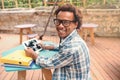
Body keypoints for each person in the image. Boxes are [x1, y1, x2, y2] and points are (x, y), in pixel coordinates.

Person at [25, 3, 91, 80]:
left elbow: (48, 63)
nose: (60, 26)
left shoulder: (71, 48)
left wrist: (32, 54)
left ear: (75, 24)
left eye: (66, 22)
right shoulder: (75, 39)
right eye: (58, 21)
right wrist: (50, 47)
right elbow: (65, 47)